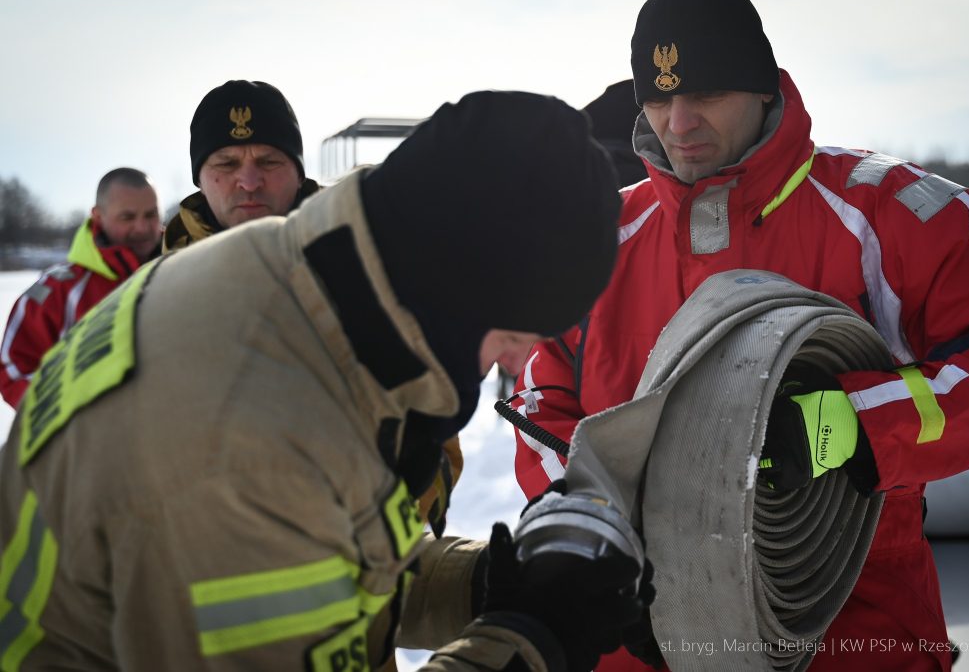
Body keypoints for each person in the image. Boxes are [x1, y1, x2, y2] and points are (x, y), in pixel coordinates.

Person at [0, 91, 650, 672]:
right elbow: (279, 510)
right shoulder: (253, 424)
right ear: (464, 282)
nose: (522, 357)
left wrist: (486, 585)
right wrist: (531, 641)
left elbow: (335, 562)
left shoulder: (303, 303)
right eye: (526, 326)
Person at [510, 0, 969, 671]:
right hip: (635, 629)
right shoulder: (598, 240)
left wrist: (839, 428)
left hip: (849, 628)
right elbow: (538, 397)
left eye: (708, 92)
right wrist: (581, 512)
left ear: (762, 86)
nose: (679, 122)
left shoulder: (891, 214)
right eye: (658, 100)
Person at [0, 167, 161, 408]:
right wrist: (78, 414)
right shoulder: (55, 292)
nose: (142, 228)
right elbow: (14, 371)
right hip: (90, 442)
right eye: (127, 217)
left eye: (151, 215)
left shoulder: (185, 266)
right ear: (98, 216)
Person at [163, 79, 320, 252]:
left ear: (299, 176)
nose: (249, 184)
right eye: (227, 164)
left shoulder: (352, 254)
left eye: (269, 162)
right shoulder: (162, 276)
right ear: (200, 181)